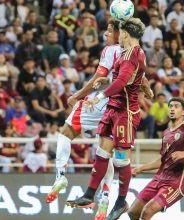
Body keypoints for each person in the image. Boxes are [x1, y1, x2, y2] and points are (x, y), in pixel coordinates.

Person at [65, 18, 148, 220]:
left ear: (126, 34)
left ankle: (121, 202)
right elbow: (124, 79)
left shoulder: (131, 55)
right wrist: (106, 80)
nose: (118, 36)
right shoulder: (129, 54)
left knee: (121, 160)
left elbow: (122, 81)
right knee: (102, 152)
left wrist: (101, 95)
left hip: (125, 112)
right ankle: (89, 194)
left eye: (120, 32)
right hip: (114, 108)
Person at [128, 97, 184, 219]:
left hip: (175, 182)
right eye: (170, 106)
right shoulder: (166, 132)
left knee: (147, 211)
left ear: (183, 112)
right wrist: (140, 168)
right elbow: (163, 160)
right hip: (158, 179)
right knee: (133, 212)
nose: (172, 109)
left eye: (176, 106)